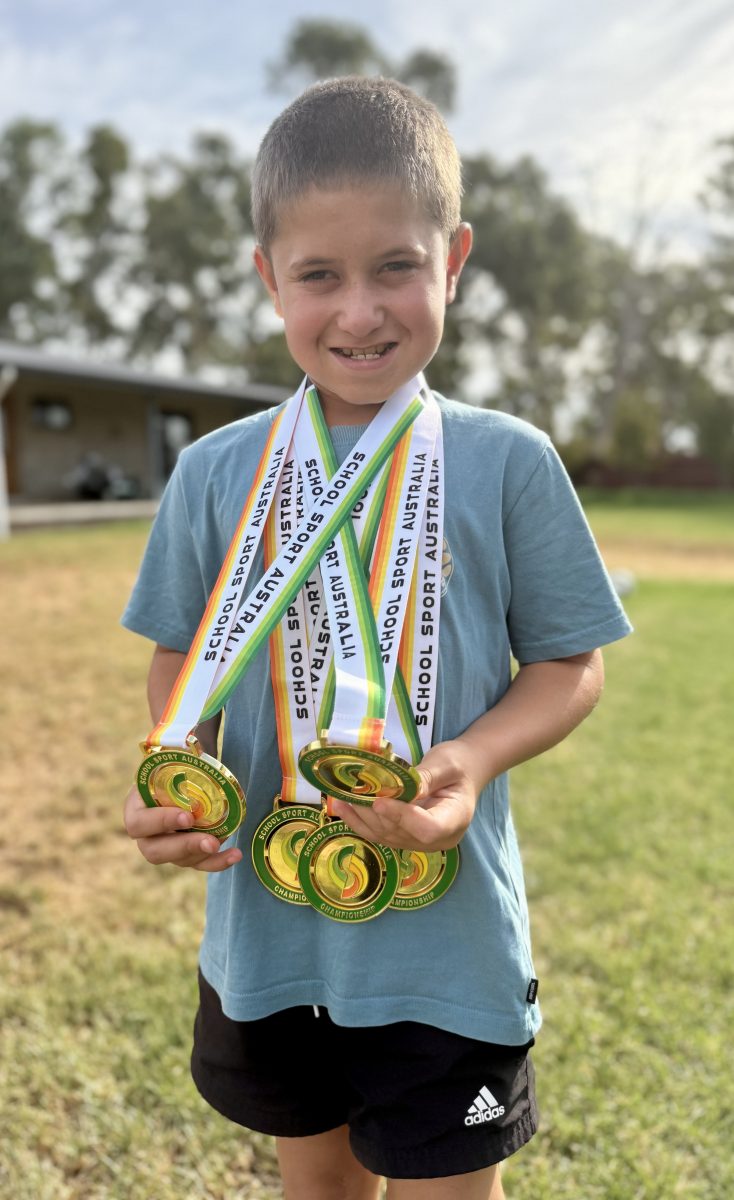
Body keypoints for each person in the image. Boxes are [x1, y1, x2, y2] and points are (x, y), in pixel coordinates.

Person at [122, 77, 632, 1200]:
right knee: (314, 1190)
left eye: (394, 266)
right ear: (269, 281)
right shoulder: (215, 474)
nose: (358, 311)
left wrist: (470, 758)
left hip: (444, 949)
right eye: (318, 276)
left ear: (450, 260)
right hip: (270, 940)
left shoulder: (508, 462)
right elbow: (181, 655)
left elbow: (568, 664)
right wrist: (180, 759)